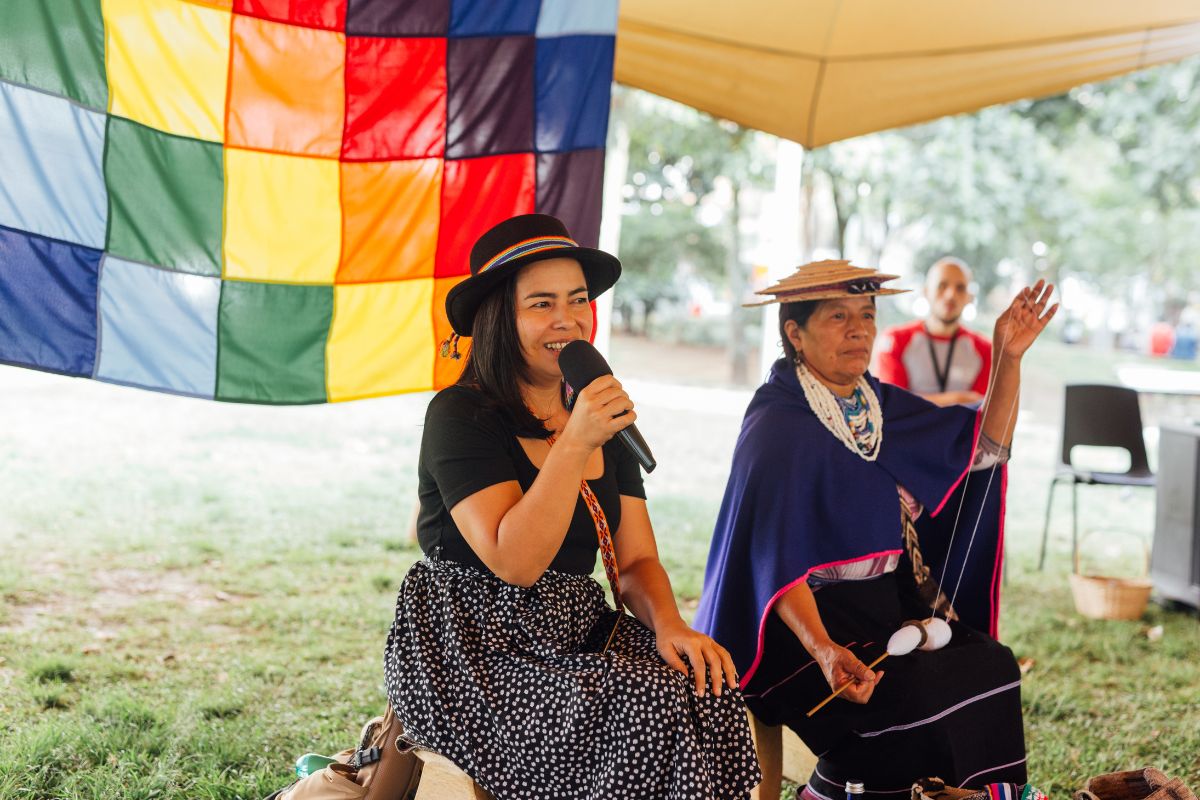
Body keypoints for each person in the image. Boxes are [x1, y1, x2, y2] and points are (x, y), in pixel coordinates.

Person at [384, 214, 760, 800]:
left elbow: (634, 561)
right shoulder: (460, 415)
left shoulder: (597, 416)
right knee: (645, 706)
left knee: (704, 687)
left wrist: (669, 626)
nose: (568, 319)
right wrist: (577, 441)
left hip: (574, 634)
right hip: (472, 651)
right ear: (499, 320)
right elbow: (515, 561)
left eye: (578, 299)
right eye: (541, 303)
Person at [696, 260, 1057, 800]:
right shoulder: (778, 424)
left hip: (880, 606)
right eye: (838, 315)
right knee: (906, 694)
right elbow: (769, 558)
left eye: (866, 314)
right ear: (795, 333)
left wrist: (1008, 355)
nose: (860, 328)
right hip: (793, 625)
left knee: (991, 665)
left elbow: (984, 449)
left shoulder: (874, 406)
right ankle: (834, 791)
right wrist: (822, 649)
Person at [874, 257, 992, 406]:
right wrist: (959, 399)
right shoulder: (895, 340)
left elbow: (984, 412)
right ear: (926, 291)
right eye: (942, 285)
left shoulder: (985, 350)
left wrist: (916, 401)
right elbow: (893, 405)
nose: (951, 295)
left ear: (969, 297)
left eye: (960, 288)